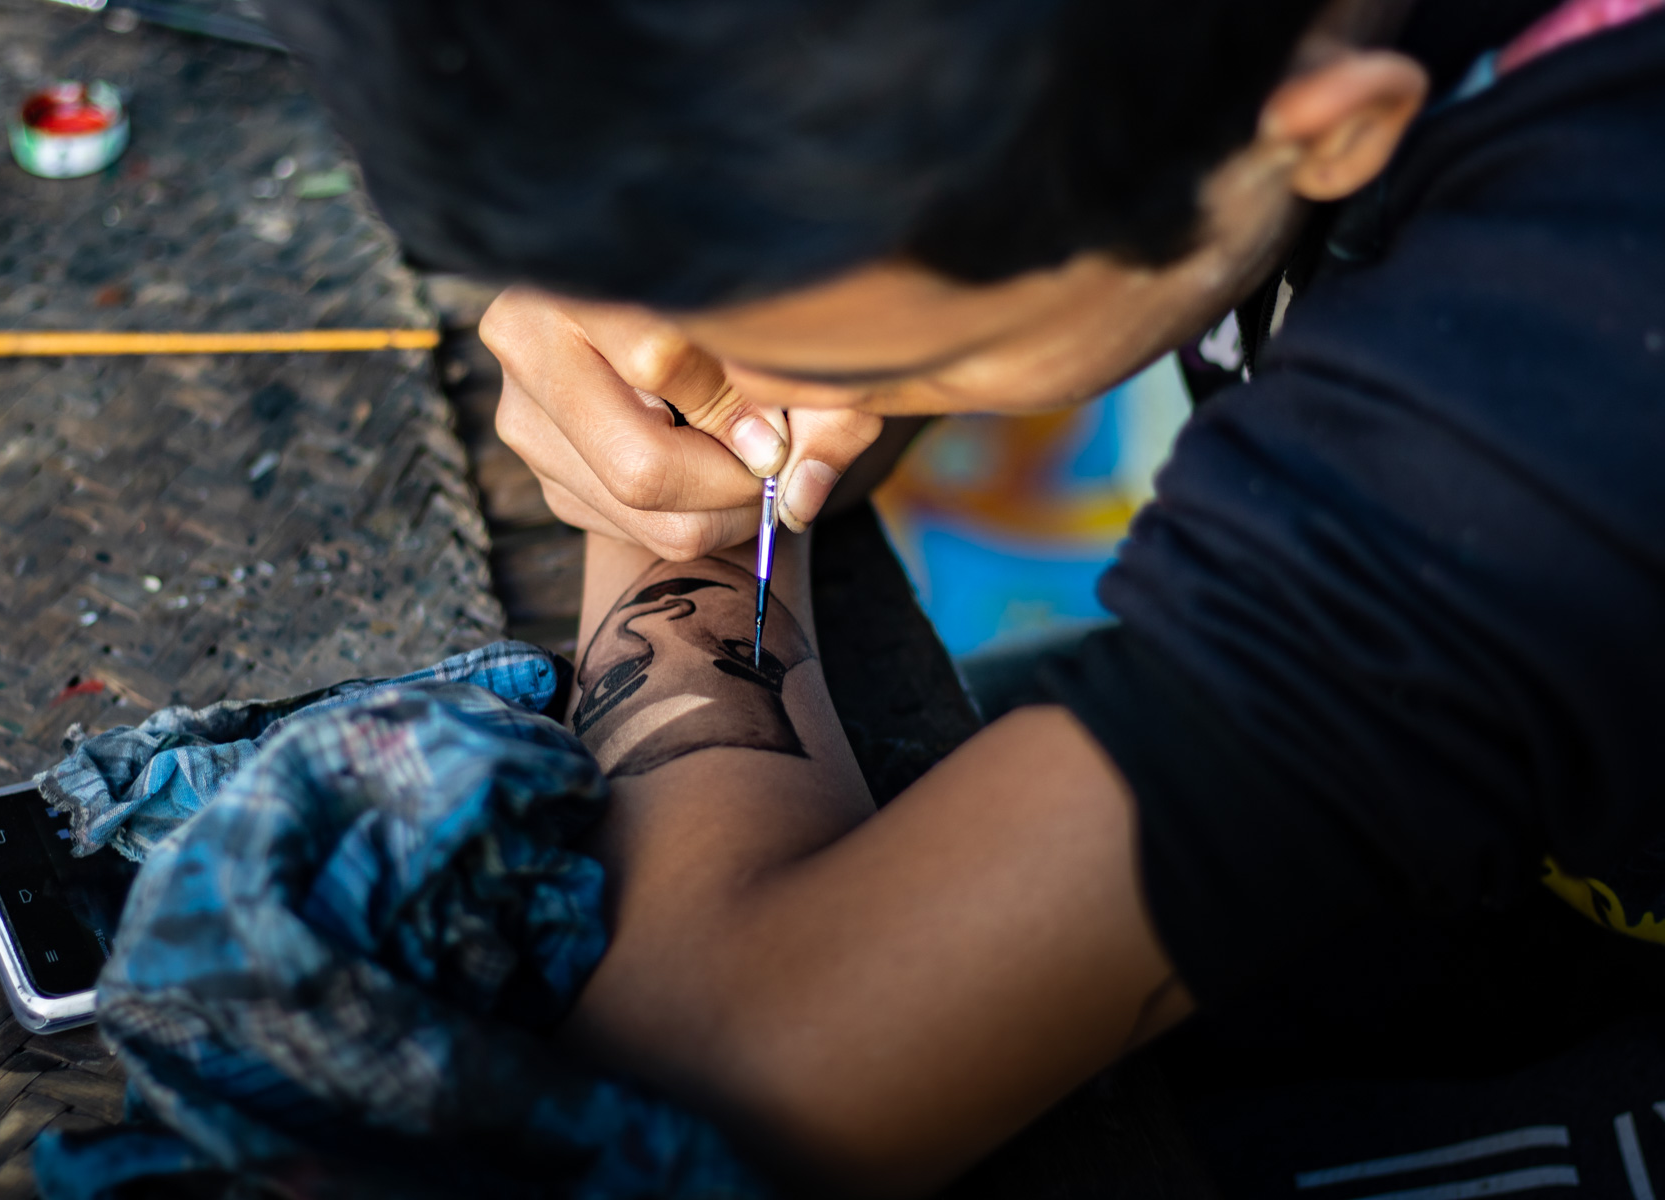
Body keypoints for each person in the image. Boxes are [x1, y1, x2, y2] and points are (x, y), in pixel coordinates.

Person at [264, 0, 1665, 1193]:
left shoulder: (1575, 347)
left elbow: (716, 1061)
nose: (730, 386)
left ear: (1321, 135)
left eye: (866, 363)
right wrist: (668, 262)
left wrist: (677, 523)